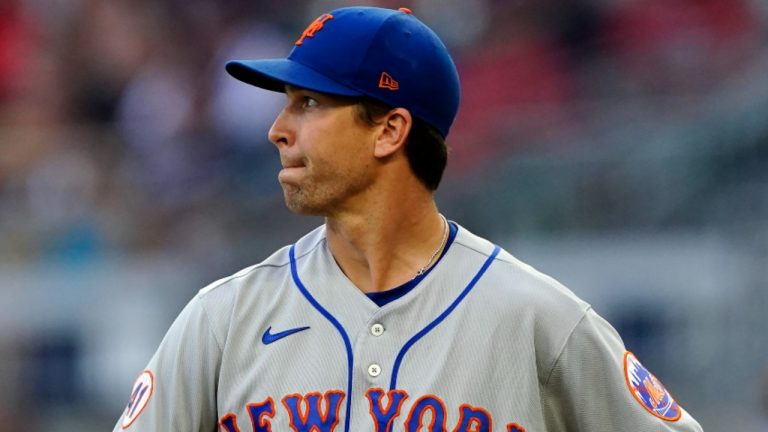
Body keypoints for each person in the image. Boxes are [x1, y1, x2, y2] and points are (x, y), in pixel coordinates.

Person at [113, 6, 703, 432]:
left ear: (390, 130)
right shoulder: (223, 319)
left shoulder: (535, 318)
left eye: (310, 103)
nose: (278, 130)